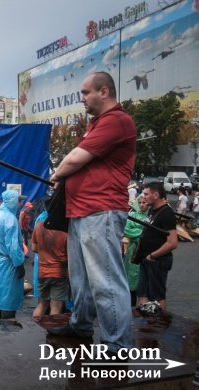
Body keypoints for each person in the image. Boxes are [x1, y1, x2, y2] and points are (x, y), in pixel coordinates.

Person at [48, 72, 136, 355]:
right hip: (82, 211)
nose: (82, 98)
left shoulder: (117, 121)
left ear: (104, 91)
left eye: (86, 93)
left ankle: (117, 344)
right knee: (81, 279)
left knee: (106, 280)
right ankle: (81, 324)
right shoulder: (98, 123)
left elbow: (76, 158)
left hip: (101, 211)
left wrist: (57, 174)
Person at [136, 182, 178, 311]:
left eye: (146, 194)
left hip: (157, 261)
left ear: (156, 195)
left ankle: (158, 327)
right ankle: (143, 327)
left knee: (157, 298)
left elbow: (172, 243)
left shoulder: (167, 213)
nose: (143, 197)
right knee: (142, 293)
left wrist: (152, 255)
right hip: (146, 259)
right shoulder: (152, 209)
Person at [0, 190, 25, 321]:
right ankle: (7, 328)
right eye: (18, 200)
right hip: (9, 262)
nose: (20, 203)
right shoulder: (10, 219)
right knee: (8, 296)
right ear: (12, 201)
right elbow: (12, 246)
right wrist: (19, 263)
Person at [32, 217, 69, 319]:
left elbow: (34, 248)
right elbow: (69, 255)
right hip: (59, 274)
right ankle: (53, 331)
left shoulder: (39, 226)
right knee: (56, 307)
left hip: (43, 272)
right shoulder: (65, 228)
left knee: (42, 304)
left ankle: (35, 330)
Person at [122, 195, 150, 306]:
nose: (142, 205)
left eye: (145, 203)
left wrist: (137, 231)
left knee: (143, 275)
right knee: (130, 274)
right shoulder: (132, 215)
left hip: (145, 251)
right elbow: (126, 230)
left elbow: (150, 232)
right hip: (132, 251)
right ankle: (131, 302)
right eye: (140, 202)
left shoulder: (150, 216)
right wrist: (142, 231)